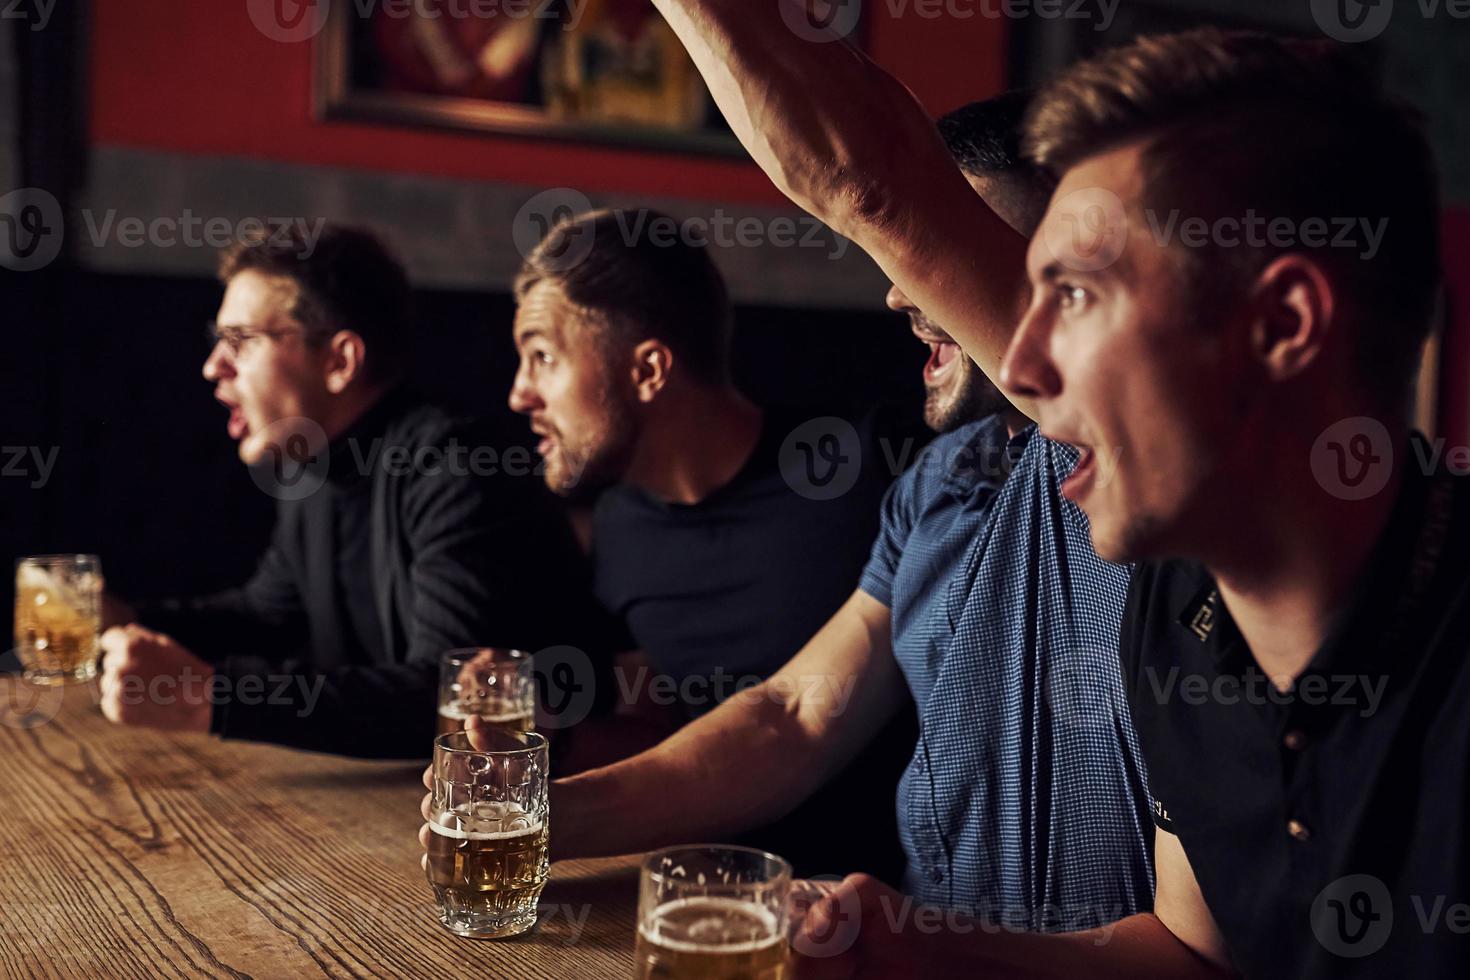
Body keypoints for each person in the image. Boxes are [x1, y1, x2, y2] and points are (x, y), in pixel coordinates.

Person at [640, 9, 1470, 975]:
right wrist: (907, 946)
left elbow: (872, 184)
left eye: (1078, 296)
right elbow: (1192, 957)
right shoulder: (1184, 609)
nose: (1026, 362)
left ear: (1282, 324)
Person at [426, 95, 1156, 929]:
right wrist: (539, 816)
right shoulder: (940, 480)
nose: (898, 295)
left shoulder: (1134, 464)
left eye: (944, 252)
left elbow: (867, 191)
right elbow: (794, 716)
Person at [503, 204, 922, 879]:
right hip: (701, 890)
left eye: (542, 357)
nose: (519, 393)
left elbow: (791, 722)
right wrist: (544, 745)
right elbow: (664, 727)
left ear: (648, 371)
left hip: (883, 906)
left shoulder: (870, 469)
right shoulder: (619, 524)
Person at [97, 224, 610, 760]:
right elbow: (267, 617)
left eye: (241, 341)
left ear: (340, 361)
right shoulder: (312, 465)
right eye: (218, 341)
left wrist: (210, 699)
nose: (213, 367)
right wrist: (124, 621)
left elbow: (446, 703)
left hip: (538, 817)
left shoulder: (458, 468)